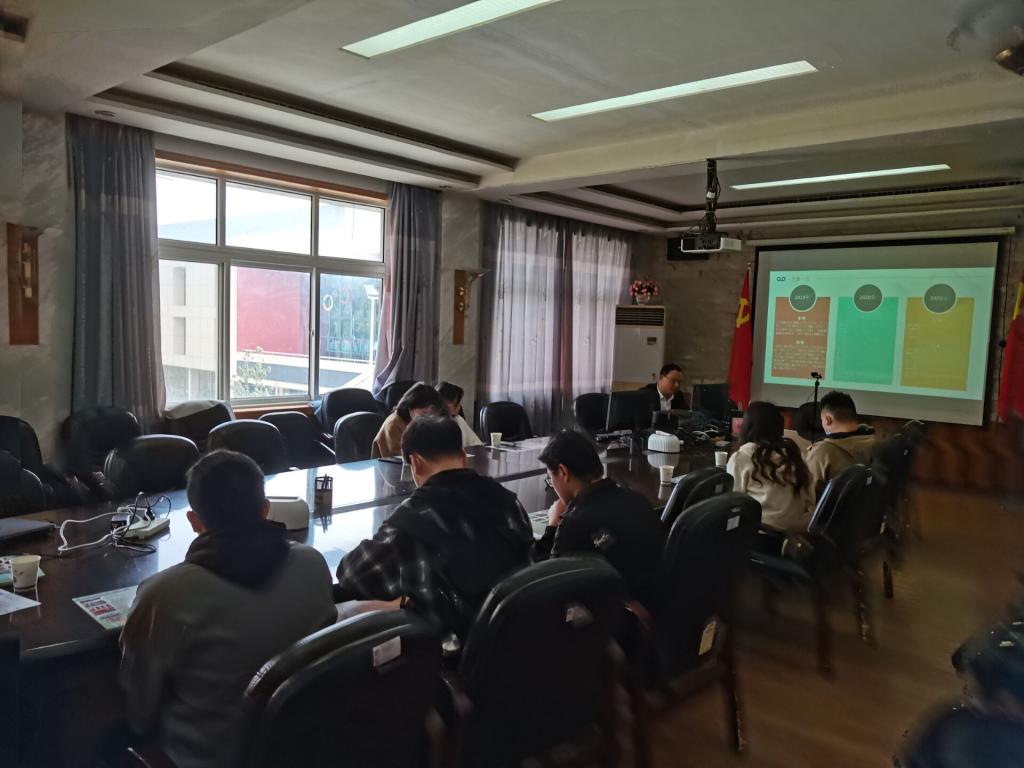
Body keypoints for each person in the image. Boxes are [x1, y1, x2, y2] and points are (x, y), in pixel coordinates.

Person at [119, 451, 336, 768]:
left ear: (194, 521)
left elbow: (139, 712)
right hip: (301, 747)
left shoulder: (164, 594)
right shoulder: (313, 563)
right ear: (265, 508)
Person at [337, 415, 532, 642]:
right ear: (463, 457)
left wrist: (403, 600)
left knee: (345, 611)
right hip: (518, 637)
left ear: (415, 463)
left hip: (449, 650)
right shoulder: (508, 501)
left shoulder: (410, 519)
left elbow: (350, 576)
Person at [534, 429, 666, 610]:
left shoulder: (575, 523)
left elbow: (542, 581)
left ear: (563, 472)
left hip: (622, 619)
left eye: (550, 479)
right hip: (661, 605)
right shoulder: (637, 499)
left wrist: (553, 525)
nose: (553, 486)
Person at [727, 402, 814, 533]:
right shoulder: (795, 455)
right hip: (796, 531)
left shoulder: (741, 458)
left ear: (746, 427)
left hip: (761, 533)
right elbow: (810, 499)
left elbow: (732, 504)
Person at [805, 390, 879, 496]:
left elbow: (806, 493)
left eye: (822, 420)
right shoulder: (877, 444)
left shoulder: (822, 452)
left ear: (828, 419)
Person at [371, 381, 445, 458]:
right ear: (410, 407)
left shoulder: (422, 423)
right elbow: (403, 457)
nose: (429, 418)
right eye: (424, 413)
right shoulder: (394, 424)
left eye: (433, 414)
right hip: (391, 464)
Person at [436, 380, 483, 447]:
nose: (459, 407)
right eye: (457, 403)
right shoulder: (428, 426)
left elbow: (477, 445)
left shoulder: (458, 420)